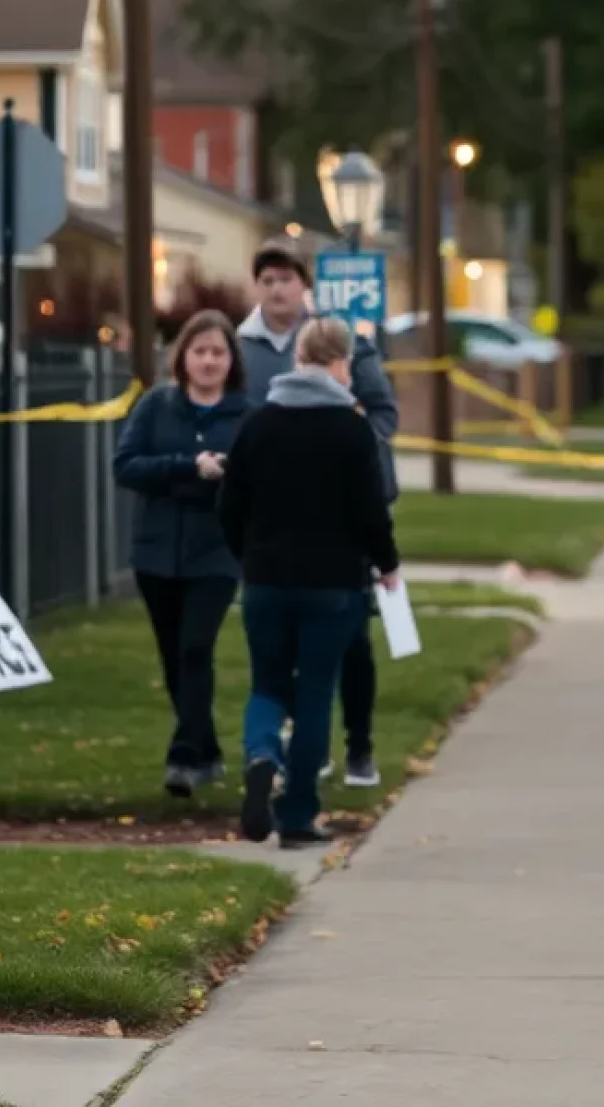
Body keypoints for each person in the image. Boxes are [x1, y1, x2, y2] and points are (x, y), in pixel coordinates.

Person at [219, 316, 401, 850]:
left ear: (298, 360)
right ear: (341, 364)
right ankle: (298, 816)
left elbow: (229, 505)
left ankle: (261, 754)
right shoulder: (351, 430)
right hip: (333, 584)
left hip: (266, 580)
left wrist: (248, 556)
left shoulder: (258, 424)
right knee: (317, 693)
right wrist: (386, 563)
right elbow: (371, 510)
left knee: (268, 683)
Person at [239, 239, 400, 789]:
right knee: (291, 658)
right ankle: (306, 765)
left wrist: (350, 450)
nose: (277, 288)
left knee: (352, 643)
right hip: (277, 518)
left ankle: (357, 745)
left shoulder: (342, 340)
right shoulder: (242, 347)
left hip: (343, 515)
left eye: (286, 277)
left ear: (304, 285)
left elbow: (383, 412)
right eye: (267, 279)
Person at [113, 309, 249, 798]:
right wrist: (187, 467)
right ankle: (207, 747)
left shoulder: (246, 416)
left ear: (231, 360)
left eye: (218, 352)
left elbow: (259, 480)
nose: (209, 361)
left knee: (196, 648)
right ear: (183, 358)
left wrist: (226, 474)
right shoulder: (156, 407)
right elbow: (127, 466)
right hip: (157, 552)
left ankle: (184, 757)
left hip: (215, 553)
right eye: (200, 352)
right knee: (173, 657)